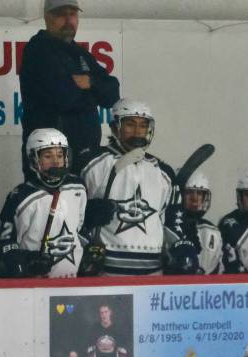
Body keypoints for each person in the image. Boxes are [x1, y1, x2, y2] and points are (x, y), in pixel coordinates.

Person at [78, 98, 197, 276]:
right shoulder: (90, 163)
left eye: (143, 125)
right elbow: (69, 214)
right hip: (104, 273)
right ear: (114, 127)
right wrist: (87, 215)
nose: (138, 131)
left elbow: (171, 221)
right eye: (130, 124)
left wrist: (182, 245)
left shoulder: (163, 171)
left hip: (153, 274)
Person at [20, 0, 120, 175]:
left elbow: (112, 94)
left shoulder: (80, 53)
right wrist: (91, 94)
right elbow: (63, 98)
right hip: (50, 158)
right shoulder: (37, 50)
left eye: (72, 14)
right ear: (47, 17)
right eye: (61, 14)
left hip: (86, 156)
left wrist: (90, 83)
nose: (68, 20)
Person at [0, 128, 87, 278]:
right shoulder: (20, 197)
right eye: (47, 156)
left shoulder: (77, 187)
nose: (56, 161)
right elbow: (4, 244)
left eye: (60, 154)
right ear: (33, 159)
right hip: (36, 286)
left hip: (74, 283)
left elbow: (80, 230)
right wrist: (27, 261)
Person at [164, 171, 223, 274]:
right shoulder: (167, 228)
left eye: (199, 193)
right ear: (180, 195)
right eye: (189, 192)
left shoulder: (212, 231)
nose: (194, 199)